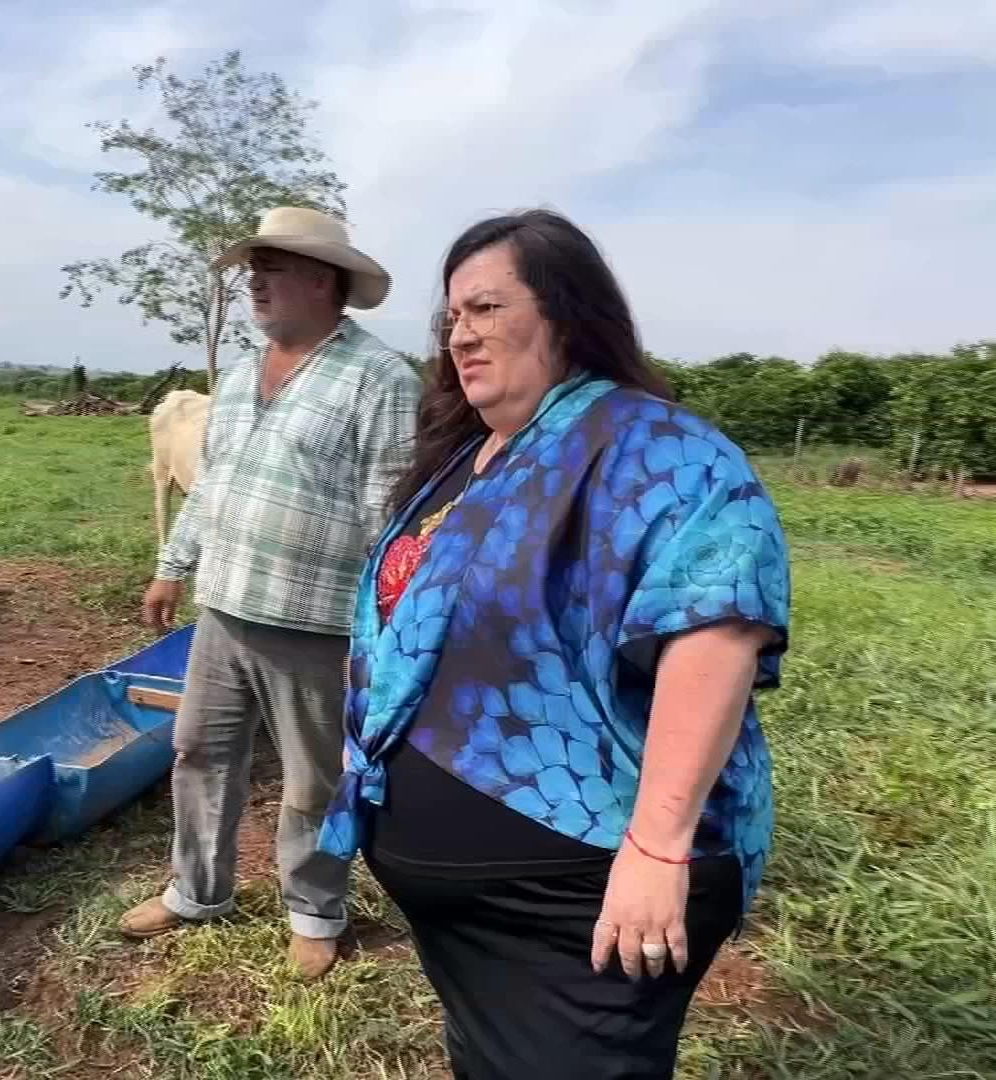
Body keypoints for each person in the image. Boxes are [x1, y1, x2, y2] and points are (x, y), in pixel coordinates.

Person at [315, 208, 792, 1078]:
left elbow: (716, 631)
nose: (462, 334)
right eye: (452, 316)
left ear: (567, 314)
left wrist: (655, 849)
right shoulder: (475, 452)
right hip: (485, 908)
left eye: (488, 308)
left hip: (583, 894)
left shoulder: (656, 446)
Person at [121, 206, 422, 980]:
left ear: (324, 281)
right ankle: (196, 891)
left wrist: (386, 628)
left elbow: (389, 513)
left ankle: (315, 910)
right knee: (198, 752)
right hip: (223, 606)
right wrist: (172, 563)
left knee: (313, 776)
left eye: (274, 266)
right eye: (253, 266)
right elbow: (215, 480)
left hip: (314, 621)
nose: (254, 280)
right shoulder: (239, 374)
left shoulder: (380, 377)